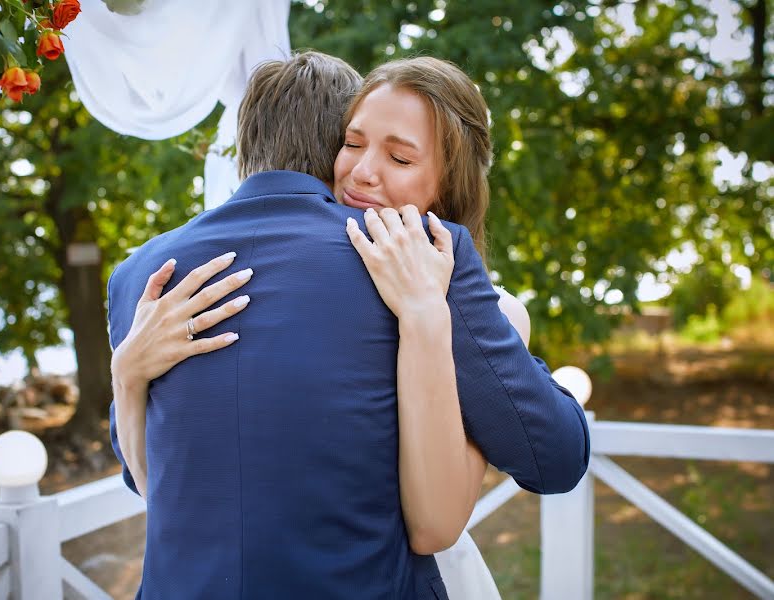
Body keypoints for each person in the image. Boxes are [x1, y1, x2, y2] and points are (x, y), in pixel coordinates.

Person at [108, 51, 589, 599]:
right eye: (353, 143)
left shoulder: (137, 275)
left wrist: (125, 377)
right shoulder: (426, 260)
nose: (361, 173)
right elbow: (555, 459)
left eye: (400, 158)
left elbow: (149, 478)